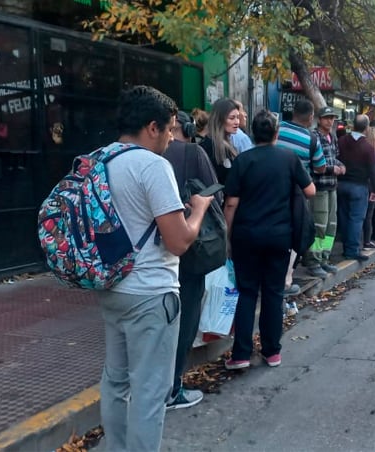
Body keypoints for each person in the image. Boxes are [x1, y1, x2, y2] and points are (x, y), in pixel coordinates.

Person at [99, 86, 212, 451]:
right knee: (150, 392)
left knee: (115, 383)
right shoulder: (153, 166)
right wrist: (198, 210)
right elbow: (178, 241)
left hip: (111, 287)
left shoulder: (98, 160)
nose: (170, 138)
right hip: (151, 294)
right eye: (168, 129)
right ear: (152, 127)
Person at [223, 110, 316, 370]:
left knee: (247, 293)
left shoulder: (243, 160)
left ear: (253, 133)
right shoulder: (289, 158)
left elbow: (231, 203)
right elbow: (310, 191)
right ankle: (272, 352)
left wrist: (227, 238)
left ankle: (241, 354)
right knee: (274, 294)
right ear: (276, 134)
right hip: (279, 236)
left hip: (246, 236)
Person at [162, 111, 219, 411]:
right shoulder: (192, 152)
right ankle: (173, 388)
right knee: (184, 319)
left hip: (144, 261)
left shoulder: (135, 157)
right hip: (185, 250)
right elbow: (212, 197)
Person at [277, 99, 327, 286]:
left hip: (270, 190)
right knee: (296, 235)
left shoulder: (277, 129)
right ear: (311, 117)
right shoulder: (311, 139)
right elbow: (321, 167)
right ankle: (287, 278)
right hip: (297, 194)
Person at [303, 106, 345, 277]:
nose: (330, 121)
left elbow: (334, 157)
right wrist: (331, 169)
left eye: (332, 118)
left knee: (330, 226)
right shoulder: (313, 137)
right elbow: (314, 164)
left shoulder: (332, 137)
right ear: (319, 119)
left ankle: (324, 258)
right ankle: (313, 260)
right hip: (319, 186)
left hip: (332, 187)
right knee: (319, 225)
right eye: (327, 118)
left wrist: (340, 166)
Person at [337, 115, 375, 261]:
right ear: (367, 128)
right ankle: (352, 250)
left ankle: (345, 248)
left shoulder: (341, 141)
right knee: (356, 219)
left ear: (352, 125)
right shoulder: (367, 147)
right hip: (359, 186)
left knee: (343, 217)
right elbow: (374, 171)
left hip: (340, 184)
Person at [201, 99, 240, 186]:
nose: (237, 122)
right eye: (232, 118)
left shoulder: (227, 144)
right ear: (219, 120)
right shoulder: (211, 146)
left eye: (238, 117)